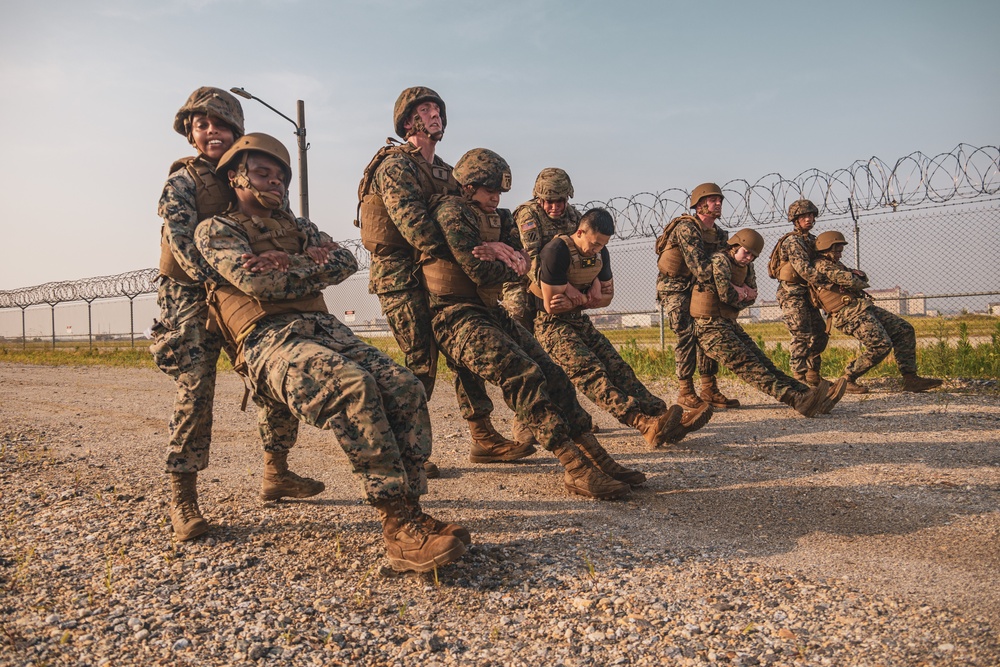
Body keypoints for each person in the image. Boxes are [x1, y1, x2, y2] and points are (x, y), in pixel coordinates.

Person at [194, 133, 467, 573]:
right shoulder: (217, 230)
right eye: (264, 173)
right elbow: (259, 285)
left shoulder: (297, 226)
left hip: (323, 327)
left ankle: (412, 512)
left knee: (404, 386)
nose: (277, 183)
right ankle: (397, 525)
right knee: (351, 388)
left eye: (282, 176)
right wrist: (309, 265)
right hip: (266, 338)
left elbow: (345, 261)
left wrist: (289, 263)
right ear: (236, 176)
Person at [425, 148, 653, 500]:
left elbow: (523, 263)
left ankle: (595, 455)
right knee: (522, 374)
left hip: (487, 307)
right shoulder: (452, 212)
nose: (497, 198)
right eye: (489, 190)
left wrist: (504, 255)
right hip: (452, 314)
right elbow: (481, 269)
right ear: (468, 186)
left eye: (500, 191)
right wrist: (504, 257)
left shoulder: (498, 216)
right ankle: (574, 466)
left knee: (552, 372)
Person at [152, 87, 324, 543]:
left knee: (274, 371)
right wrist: (235, 275)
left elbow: (284, 232)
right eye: (202, 124)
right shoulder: (183, 182)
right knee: (196, 387)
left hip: (247, 290)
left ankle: (277, 470)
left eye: (221, 124)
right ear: (190, 132)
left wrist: (289, 263)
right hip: (193, 294)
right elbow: (185, 247)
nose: (212, 131)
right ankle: (182, 495)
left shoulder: (250, 174)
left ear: (236, 132)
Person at [356, 86, 529, 469]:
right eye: (425, 109)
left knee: (464, 354)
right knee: (421, 361)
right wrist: (471, 251)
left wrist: (500, 246)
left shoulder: (446, 173)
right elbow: (418, 230)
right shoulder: (395, 166)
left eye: (437, 109)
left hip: (436, 276)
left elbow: (470, 219)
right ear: (408, 121)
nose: (435, 114)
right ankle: (401, 451)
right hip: (401, 277)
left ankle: (482, 438)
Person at [531, 207, 709, 448]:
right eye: (593, 244)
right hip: (552, 326)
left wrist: (577, 297)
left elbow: (606, 298)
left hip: (578, 319)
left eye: (601, 246)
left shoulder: (600, 253)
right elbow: (553, 305)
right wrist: (587, 297)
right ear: (580, 231)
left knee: (618, 367)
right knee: (591, 372)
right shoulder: (557, 251)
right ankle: (643, 424)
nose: (596, 250)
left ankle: (663, 416)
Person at [691, 230, 848, 417]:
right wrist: (742, 292)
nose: (748, 258)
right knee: (750, 366)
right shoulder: (720, 260)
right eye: (746, 252)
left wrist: (741, 293)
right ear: (735, 246)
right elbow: (727, 295)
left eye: (753, 255)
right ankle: (796, 399)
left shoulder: (746, 267)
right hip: (708, 327)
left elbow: (751, 297)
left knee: (766, 364)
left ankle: (809, 394)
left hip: (727, 322)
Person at [810, 231, 944, 393]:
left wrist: (857, 276)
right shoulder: (822, 265)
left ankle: (910, 378)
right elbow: (853, 281)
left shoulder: (836, 265)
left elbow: (860, 278)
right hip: (846, 313)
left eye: (840, 250)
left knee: (904, 330)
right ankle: (847, 379)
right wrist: (855, 275)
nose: (839, 254)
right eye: (836, 250)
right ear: (826, 248)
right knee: (880, 345)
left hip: (861, 307)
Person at [655, 183, 740, 411]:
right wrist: (727, 285)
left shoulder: (720, 234)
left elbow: (727, 266)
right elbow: (702, 269)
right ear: (700, 204)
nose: (719, 203)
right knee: (686, 334)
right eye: (713, 200)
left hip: (699, 287)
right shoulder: (687, 228)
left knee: (707, 330)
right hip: (675, 288)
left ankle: (709, 388)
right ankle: (685, 391)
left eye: (720, 199)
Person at [502, 167, 582, 332]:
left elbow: (586, 251)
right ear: (539, 199)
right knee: (518, 316)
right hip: (522, 278)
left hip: (557, 279)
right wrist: (564, 287)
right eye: (549, 201)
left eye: (559, 201)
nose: (555, 207)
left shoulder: (573, 217)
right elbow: (530, 259)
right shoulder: (528, 215)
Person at [767, 199, 830, 387]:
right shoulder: (792, 241)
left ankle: (813, 374)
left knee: (819, 333)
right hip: (791, 294)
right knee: (800, 334)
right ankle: (799, 377)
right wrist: (827, 282)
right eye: (804, 216)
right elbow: (803, 269)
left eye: (811, 215)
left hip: (808, 293)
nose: (808, 219)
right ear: (795, 219)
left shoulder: (811, 240)